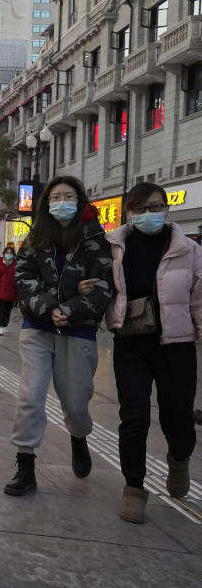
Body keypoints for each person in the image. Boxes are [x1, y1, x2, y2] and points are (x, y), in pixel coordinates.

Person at [5, 176, 113, 496]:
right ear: (46, 203)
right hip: (38, 327)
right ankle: (25, 466)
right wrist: (49, 306)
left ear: (80, 199)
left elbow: (103, 286)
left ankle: (78, 438)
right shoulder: (37, 236)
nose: (61, 202)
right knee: (30, 395)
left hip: (78, 329)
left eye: (68, 196)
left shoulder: (95, 237)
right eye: (55, 197)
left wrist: (70, 310)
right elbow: (23, 276)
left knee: (76, 401)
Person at [104, 183, 201, 523]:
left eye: (157, 206)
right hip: (131, 343)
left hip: (177, 346)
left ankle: (178, 457)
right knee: (134, 417)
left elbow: (199, 298)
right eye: (141, 208)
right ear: (128, 211)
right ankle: (133, 487)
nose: (149, 214)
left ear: (167, 210)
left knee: (178, 418)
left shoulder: (188, 249)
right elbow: (101, 287)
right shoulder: (114, 247)